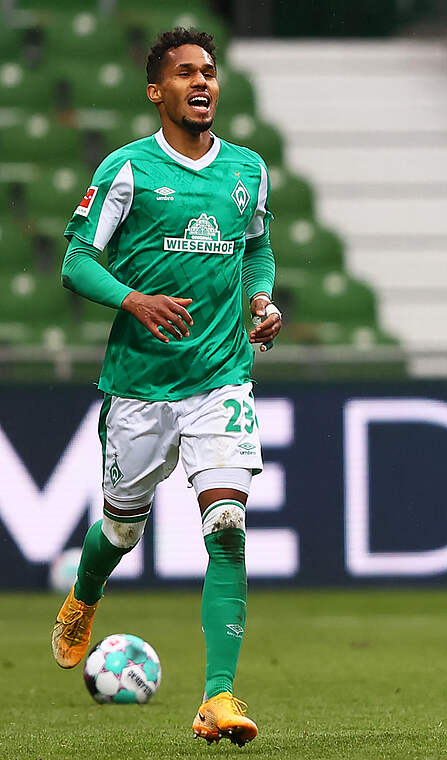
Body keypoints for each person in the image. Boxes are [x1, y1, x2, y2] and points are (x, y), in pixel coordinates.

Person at [51, 27, 281, 747]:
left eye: (208, 71)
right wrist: (133, 300)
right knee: (121, 527)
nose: (201, 82)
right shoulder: (128, 170)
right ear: (158, 92)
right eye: (185, 73)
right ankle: (85, 595)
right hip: (141, 386)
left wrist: (262, 301)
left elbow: (257, 250)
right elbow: (75, 261)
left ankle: (218, 696)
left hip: (221, 379)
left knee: (229, 529)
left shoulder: (247, 170)